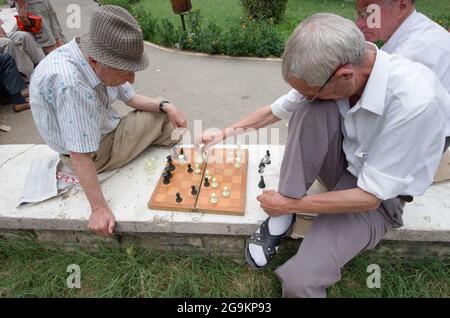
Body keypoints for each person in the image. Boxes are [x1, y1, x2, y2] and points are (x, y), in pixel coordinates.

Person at [246, 13, 449, 297]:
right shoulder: (348, 59)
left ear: (344, 75)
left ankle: (285, 207)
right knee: (308, 109)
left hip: (376, 200)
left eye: (314, 92)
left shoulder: (414, 103)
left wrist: (292, 205)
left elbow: (370, 197)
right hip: (346, 162)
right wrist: (223, 132)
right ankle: (283, 215)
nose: (309, 96)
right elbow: (279, 109)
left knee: (299, 282)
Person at [29, 5, 187, 236]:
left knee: (162, 109)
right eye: (125, 71)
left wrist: (166, 106)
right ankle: (156, 142)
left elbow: (131, 99)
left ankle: (155, 137)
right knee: (164, 123)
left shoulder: (92, 56)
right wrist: (99, 208)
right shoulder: (72, 84)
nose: (131, 79)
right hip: (95, 154)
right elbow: (79, 155)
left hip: (103, 131)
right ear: (95, 60)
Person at [201, 0, 450, 145]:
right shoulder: (388, 41)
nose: (360, 22)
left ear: (402, 4)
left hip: (424, 145)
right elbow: (289, 103)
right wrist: (225, 132)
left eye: (368, 13)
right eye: (358, 12)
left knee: (321, 110)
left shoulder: (419, 53)